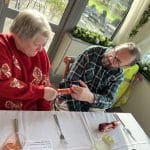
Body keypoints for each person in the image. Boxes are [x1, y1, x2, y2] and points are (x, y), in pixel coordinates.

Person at [0, 9, 57, 110]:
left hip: (30, 112)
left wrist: (44, 112)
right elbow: (3, 84)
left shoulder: (40, 52)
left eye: (43, 44)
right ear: (19, 37)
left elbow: (45, 84)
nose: (40, 49)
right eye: (36, 44)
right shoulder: (2, 46)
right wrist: (40, 92)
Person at [58, 43, 141, 111]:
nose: (112, 59)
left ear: (125, 66)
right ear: (116, 47)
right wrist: (78, 112)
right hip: (70, 97)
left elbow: (109, 101)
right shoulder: (91, 52)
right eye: (115, 53)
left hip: (93, 104)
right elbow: (69, 83)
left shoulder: (118, 75)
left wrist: (91, 97)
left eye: (118, 61)